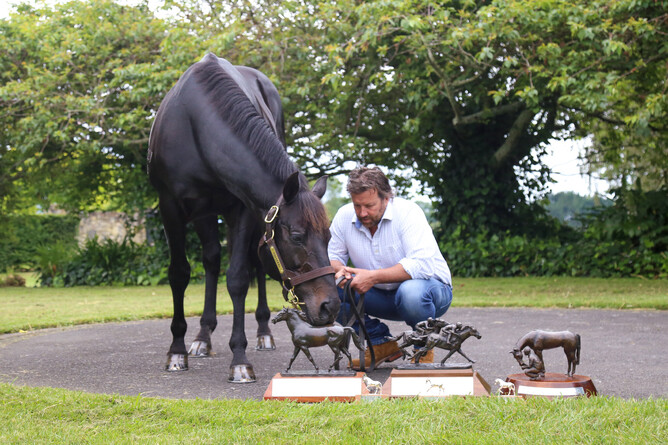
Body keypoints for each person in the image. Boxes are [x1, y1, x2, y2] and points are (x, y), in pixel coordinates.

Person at [328, 166, 453, 366]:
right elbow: (331, 256)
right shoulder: (344, 216)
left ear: (387, 198)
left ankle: (423, 349)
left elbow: (421, 265)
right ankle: (380, 345)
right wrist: (340, 270)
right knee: (328, 290)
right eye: (357, 205)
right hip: (377, 294)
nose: (362, 212)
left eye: (369, 205)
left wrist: (372, 276)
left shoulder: (408, 213)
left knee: (411, 292)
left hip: (429, 293)